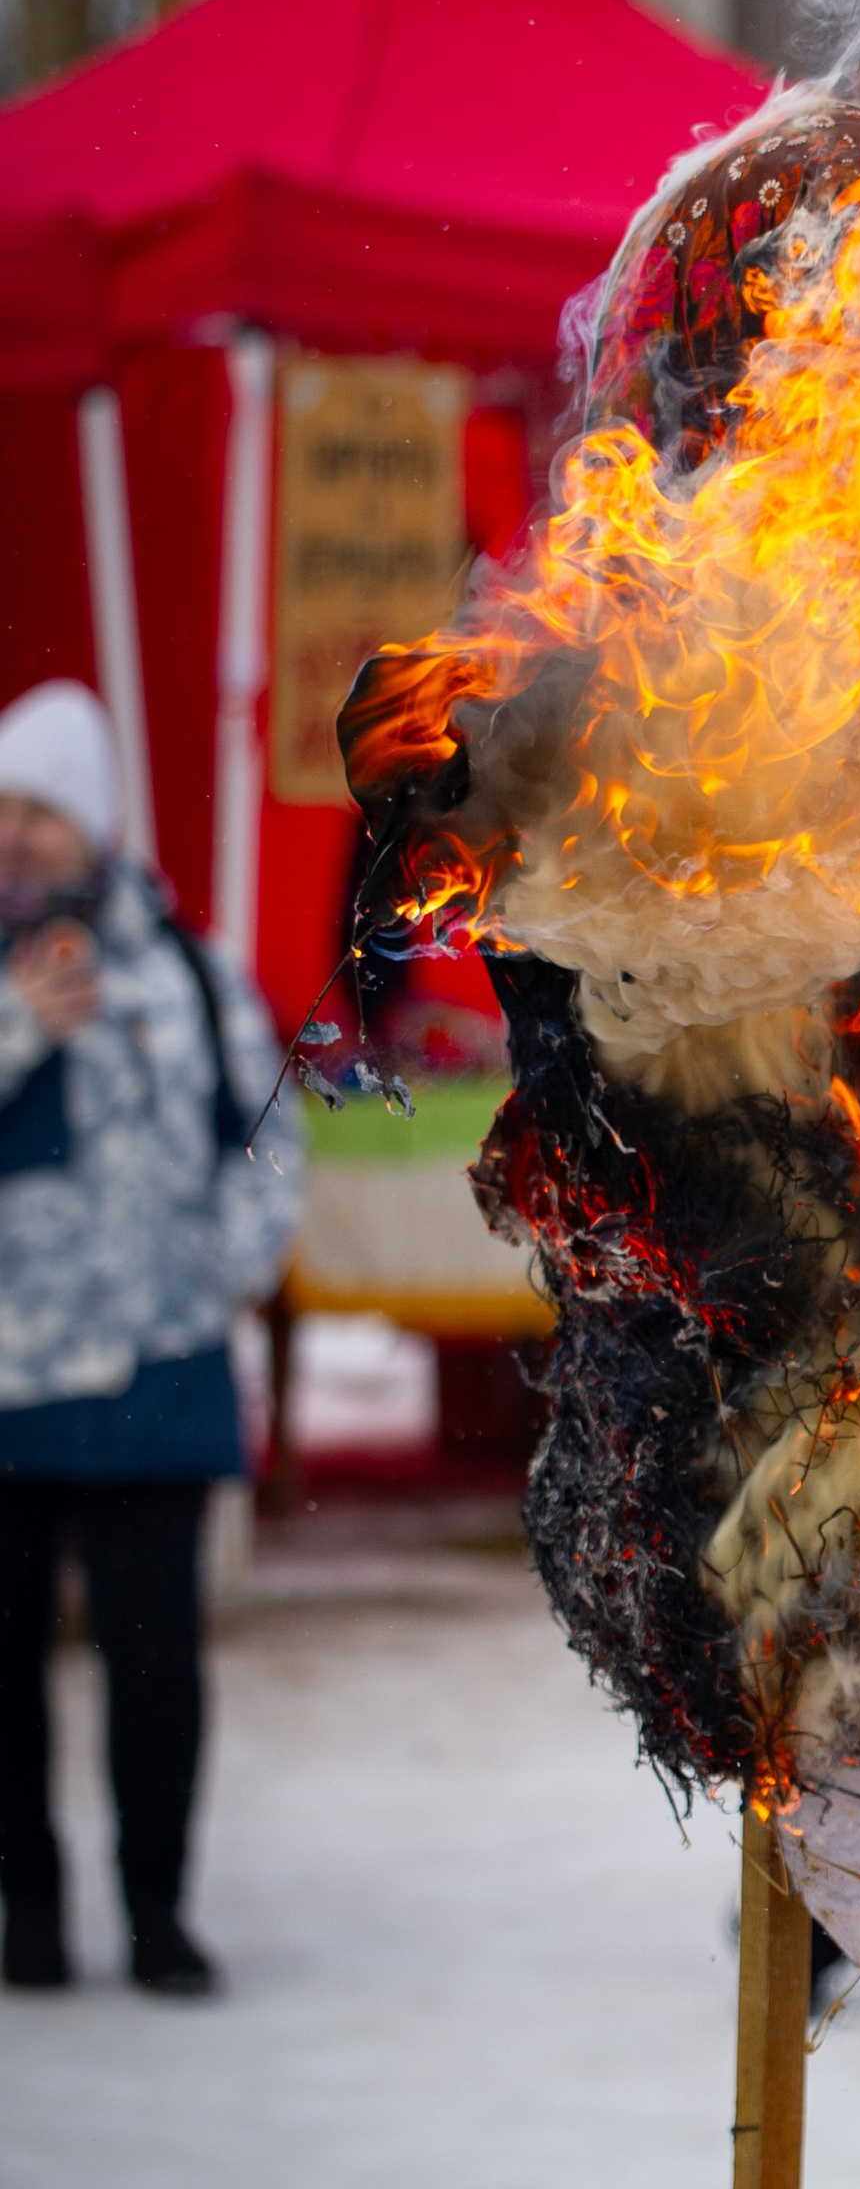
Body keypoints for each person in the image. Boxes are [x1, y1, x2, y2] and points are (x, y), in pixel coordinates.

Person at [0, 682, 302, 1996]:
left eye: (42, 816)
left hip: (159, 1365)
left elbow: (264, 1132)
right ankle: (32, 1915)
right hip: (5, 1380)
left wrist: (227, 1270)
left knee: (156, 1666)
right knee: (6, 1678)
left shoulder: (190, 970)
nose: (16, 839)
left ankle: (158, 1909)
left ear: (96, 828)